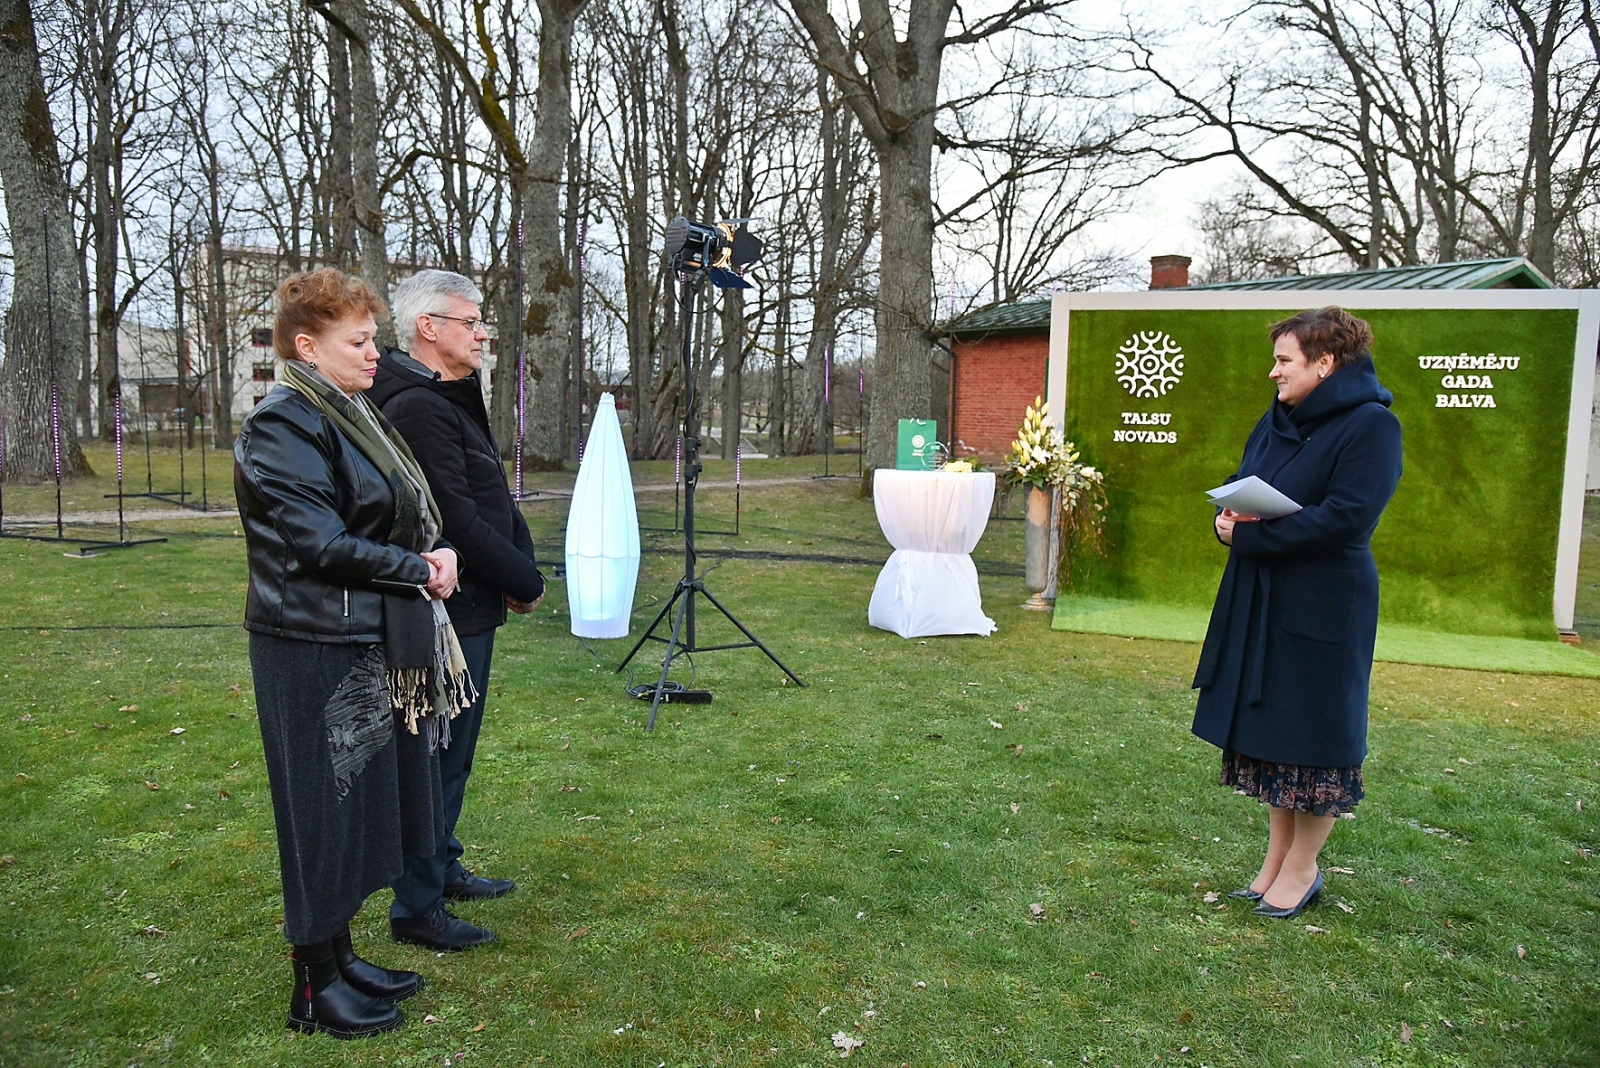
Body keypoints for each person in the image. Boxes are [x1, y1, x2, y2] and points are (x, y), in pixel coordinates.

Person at [234, 268, 476, 1036]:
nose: (376, 353)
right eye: (360, 340)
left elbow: (386, 511)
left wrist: (430, 549)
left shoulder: (346, 415)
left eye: (375, 337)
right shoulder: (284, 421)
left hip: (356, 633)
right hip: (308, 643)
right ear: (307, 346)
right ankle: (313, 986)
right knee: (318, 813)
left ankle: (339, 958)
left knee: (353, 806)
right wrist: (421, 569)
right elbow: (317, 541)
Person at [1192, 306, 1403, 919]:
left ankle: (1304, 867)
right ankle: (1275, 863)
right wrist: (1227, 516)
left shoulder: (1371, 426)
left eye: (1284, 360)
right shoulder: (1280, 415)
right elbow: (1245, 478)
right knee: (1275, 734)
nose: (1273, 372)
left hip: (1326, 603)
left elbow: (1347, 516)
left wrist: (1250, 538)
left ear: (1325, 362)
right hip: (1265, 594)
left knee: (1317, 736)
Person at [367, 269, 545, 951]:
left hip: (472, 599)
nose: (481, 334)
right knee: (434, 754)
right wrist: (522, 579)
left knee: (454, 752)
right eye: (469, 322)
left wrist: (519, 564)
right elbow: (458, 518)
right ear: (428, 328)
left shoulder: (448, 395)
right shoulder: (415, 404)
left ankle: (440, 866)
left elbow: (491, 489)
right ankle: (417, 905)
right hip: (446, 606)